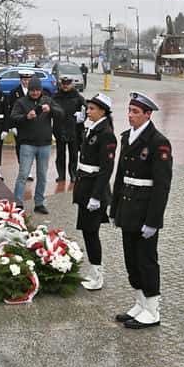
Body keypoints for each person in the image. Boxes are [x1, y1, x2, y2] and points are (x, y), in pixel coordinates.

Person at [110, 92, 172, 329]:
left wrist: (153, 220)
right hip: (127, 206)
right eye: (129, 110)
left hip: (145, 209)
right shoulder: (127, 137)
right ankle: (140, 302)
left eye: (135, 112)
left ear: (148, 114)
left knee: (146, 260)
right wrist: (114, 208)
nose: (130, 115)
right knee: (131, 259)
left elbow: (162, 185)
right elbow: (121, 176)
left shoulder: (158, 142)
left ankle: (153, 309)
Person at [72, 93, 117, 290]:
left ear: (103, 111)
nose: (88, 111)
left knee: (91, 233)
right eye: (88, 108)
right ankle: (93, 271)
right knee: (87, 232)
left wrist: (97, 196)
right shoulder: (93, 128)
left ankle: (98, 275)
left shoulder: (106, 133)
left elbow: (106, 169)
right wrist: (80, 126)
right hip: (85, 187)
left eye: (92, 109)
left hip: (94, 190)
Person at [10, 77, 62, 214]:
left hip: (45, 144)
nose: (35, 93)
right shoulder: (21, 102)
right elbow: (13, 117)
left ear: (41, 90)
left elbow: (61, 113)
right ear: (29, 90)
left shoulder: (47, 100)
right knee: (23, 174)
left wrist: (50, 110)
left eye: (37, 90)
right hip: (27, 144)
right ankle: (18, 203)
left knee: (42, 175)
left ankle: (39, 203)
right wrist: (26, 117)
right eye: (32, 90)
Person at [52, 76, 85, 182]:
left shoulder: (77, 97)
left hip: (74, 129)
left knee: (73, 154)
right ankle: (61, 175)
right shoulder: (56, 96)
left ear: (72, 85)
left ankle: (73, 174)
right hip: (60, 129)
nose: (65, 86)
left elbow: (85, 109)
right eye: (64, 84)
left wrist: (82, 116)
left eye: (68, 84)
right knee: (60, 154)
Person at [7, 69, 36, 180]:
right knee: (20, 148)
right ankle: (23, 169)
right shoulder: (14, 92)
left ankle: (28, 170)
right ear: (21, 80)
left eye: (28, 80)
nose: (26, 82)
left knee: (31, 148)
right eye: (24, 80)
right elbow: (10, 110)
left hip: (31, 125)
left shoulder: (35, 92)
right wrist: (12, 126)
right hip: (18, 125)